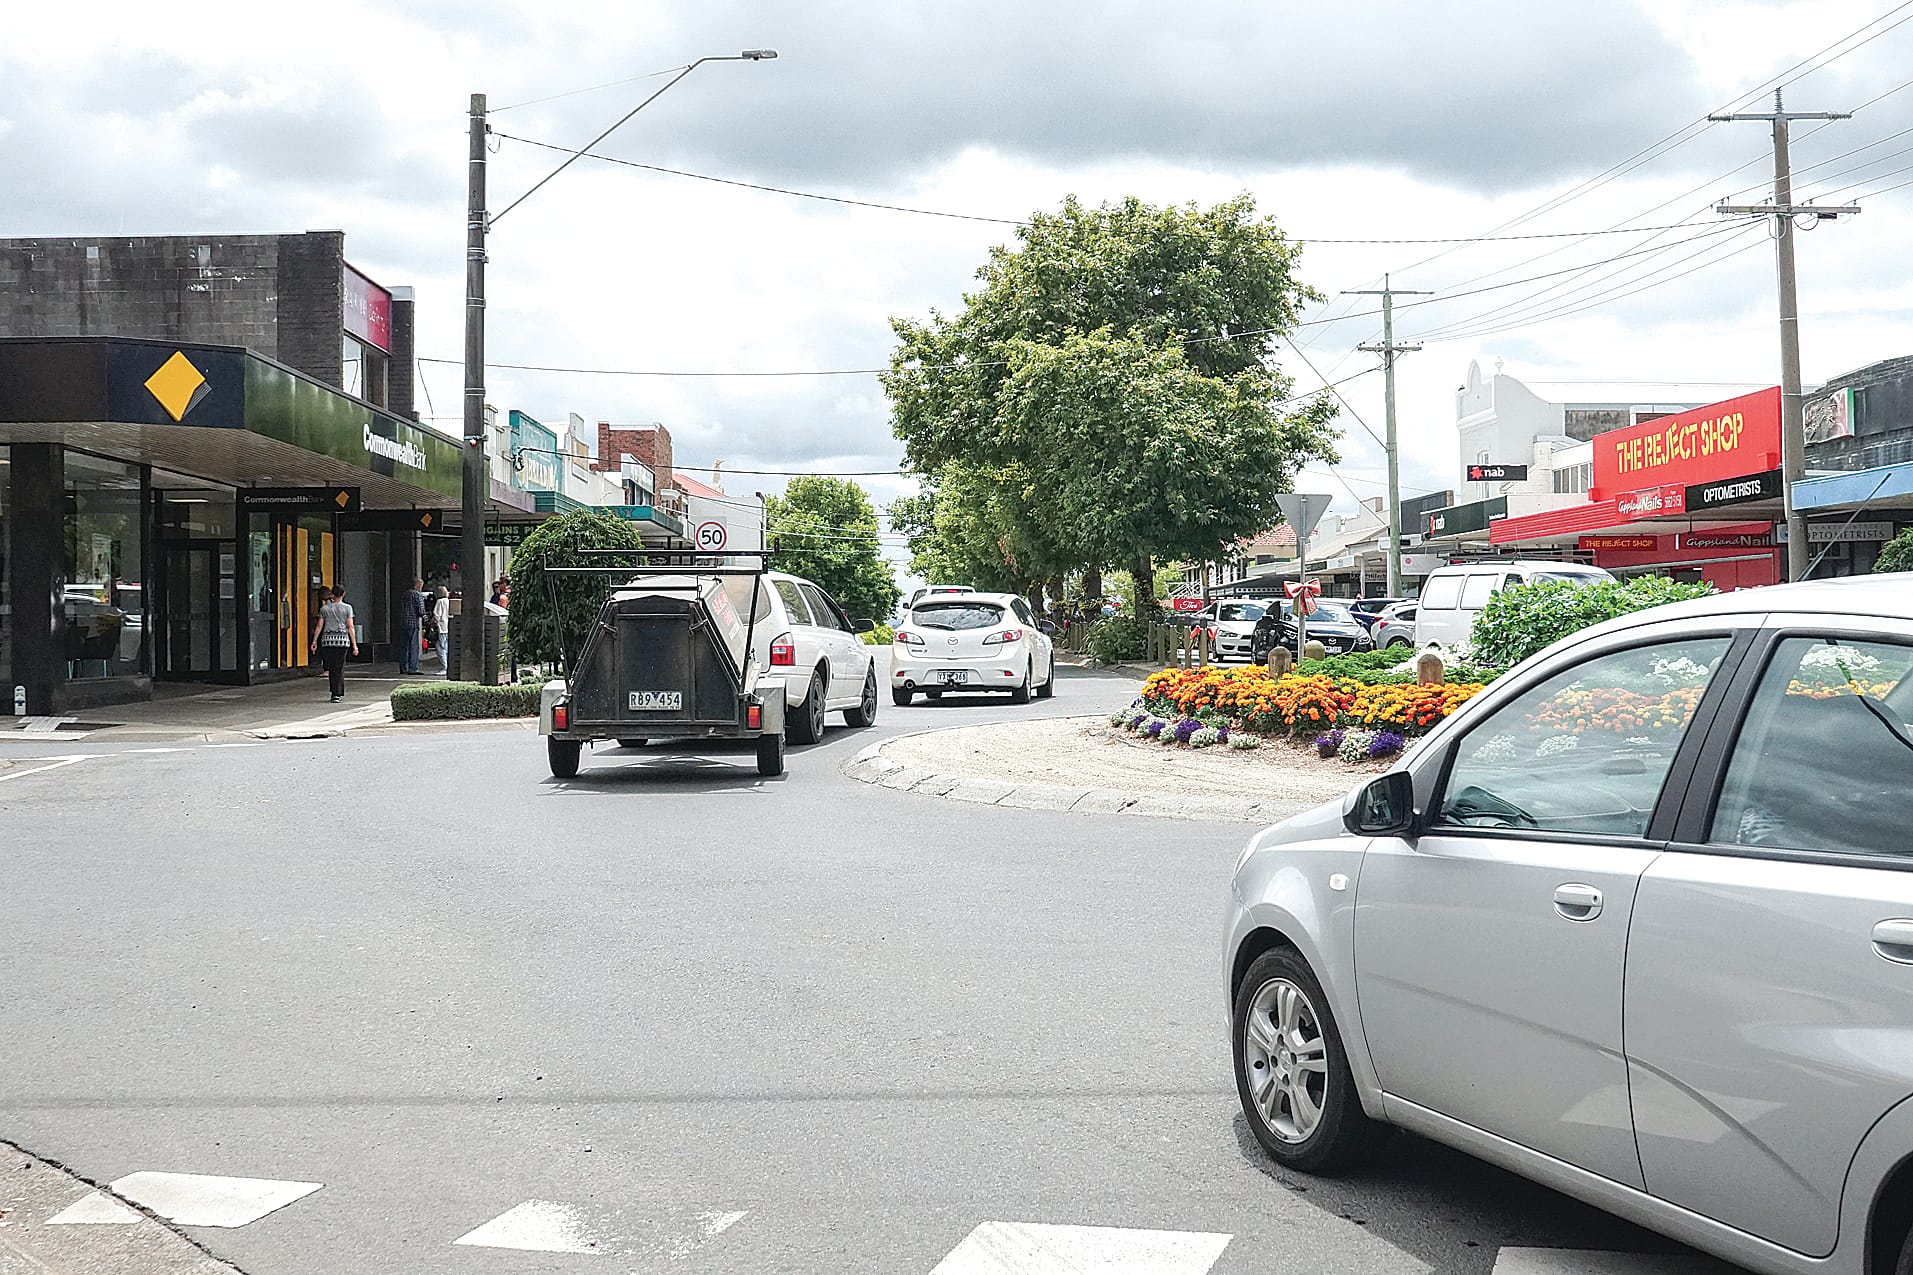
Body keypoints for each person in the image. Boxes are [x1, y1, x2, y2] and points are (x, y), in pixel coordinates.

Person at [310, 585, 358, 702]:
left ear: (332, 594)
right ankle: (338, 693)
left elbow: (319, 626)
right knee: (339, 667)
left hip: (327, 641)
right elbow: (350, 627)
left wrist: (315, 640)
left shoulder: (324, 609)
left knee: (331, 667)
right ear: (343, 594)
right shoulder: (347, 608)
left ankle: (334, 691)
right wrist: (354, 645)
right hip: (342, 641)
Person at [399, 576, 429, 675]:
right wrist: (426, 618)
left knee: (404, 646)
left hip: (403, 623)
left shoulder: (405, 594)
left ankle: (403, 667)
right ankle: (413, 668)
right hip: (412, 623)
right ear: (418, 585)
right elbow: (421, 611)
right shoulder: (417, 595)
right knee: (413, 646)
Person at [432, 585, 450, 676]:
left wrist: (434, 622)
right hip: (448, 627)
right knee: (446, 647)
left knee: (440, 647)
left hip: (441, 627)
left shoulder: (440, 602)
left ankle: (445, 667)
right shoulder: (448, 601)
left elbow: (437, 615)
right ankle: (447, 666)